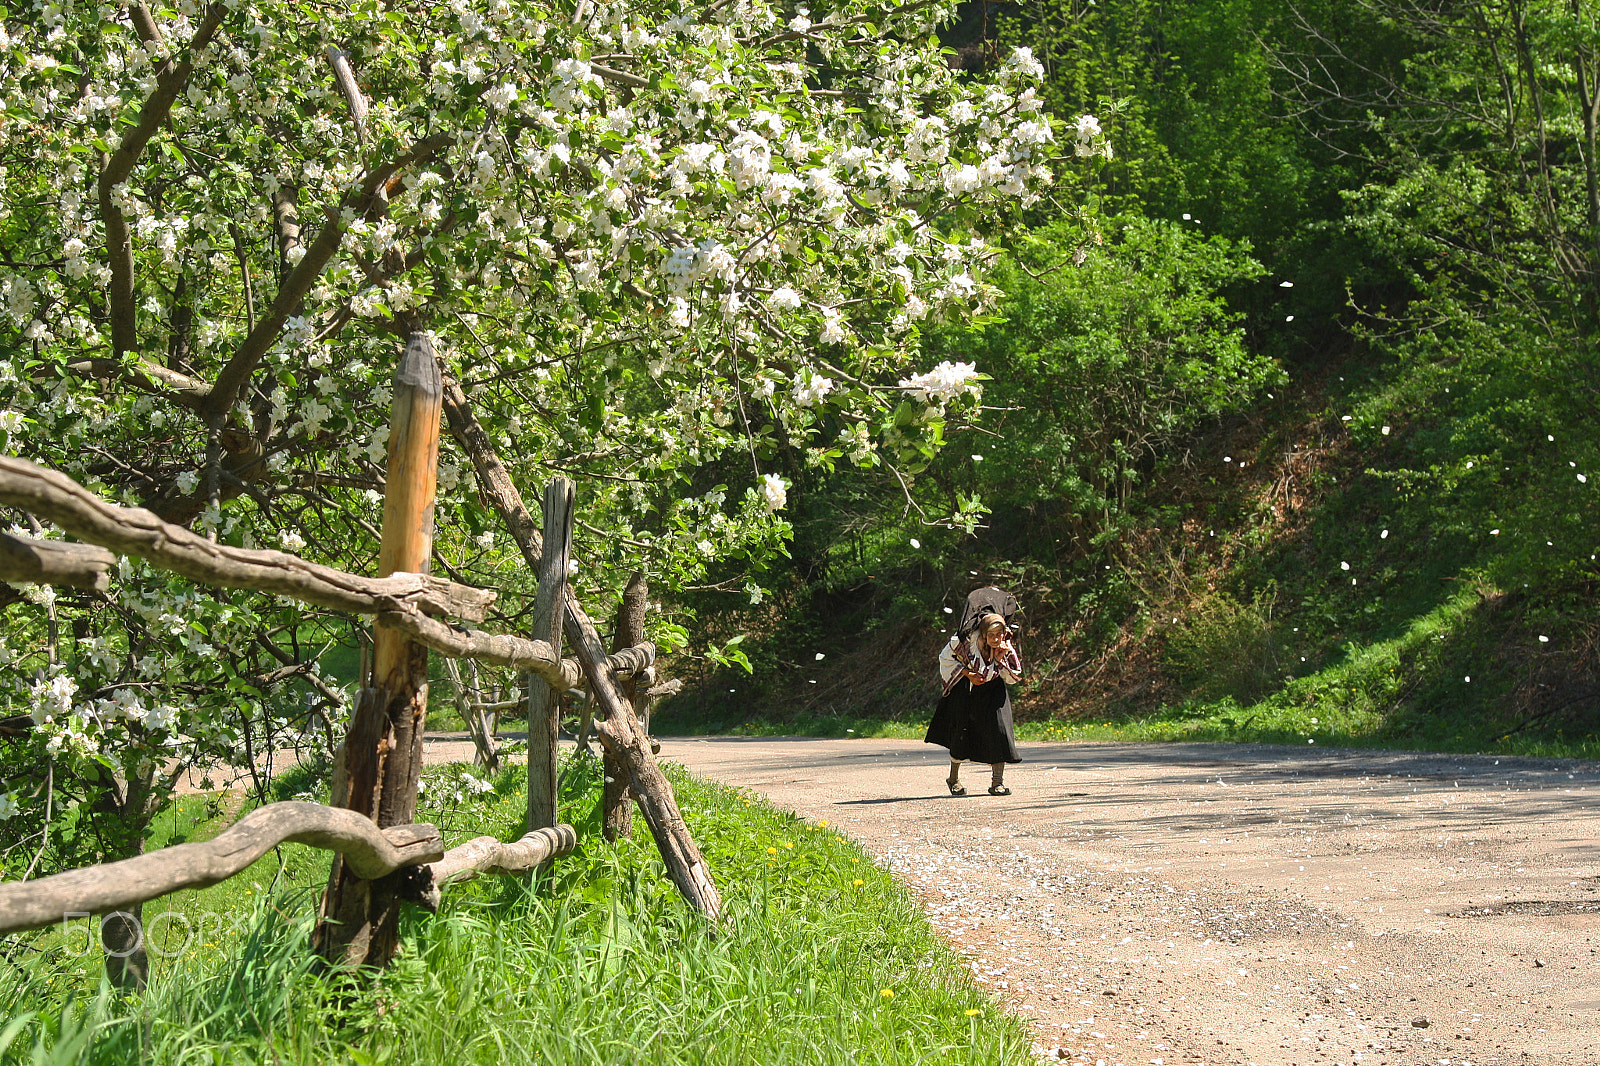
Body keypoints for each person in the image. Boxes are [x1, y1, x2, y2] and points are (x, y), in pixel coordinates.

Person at [925, 601, 1023, 795]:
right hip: (967, 689)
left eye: (999, 635)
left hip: (993, 691)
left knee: (1000, 731)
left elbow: (1013, 676)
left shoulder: (1004, 645)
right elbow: (945, 658)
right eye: (991, 636)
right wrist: (968, 673)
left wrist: (1001, 658)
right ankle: (953, 779)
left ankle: (997, 783)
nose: (996, 639)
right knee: (961, 733)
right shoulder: (964, 642)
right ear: (984, 634)